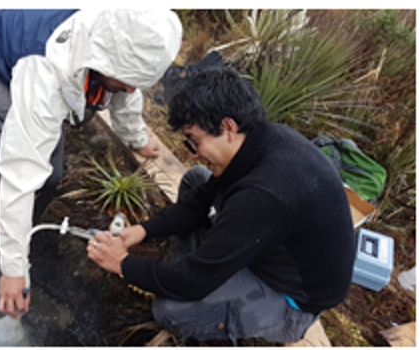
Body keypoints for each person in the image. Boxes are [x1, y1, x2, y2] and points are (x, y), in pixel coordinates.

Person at [0, 9, 183, 319]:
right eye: (127, 81)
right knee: (45, 166)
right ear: (103, 60)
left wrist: (136, 138)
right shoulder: (47, 68)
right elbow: (21, 171)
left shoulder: (117, 37)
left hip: (9, 63)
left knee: (54, 156)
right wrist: (13, 269)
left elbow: (127, 90)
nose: (132, 89)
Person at [86, 68, 355, 343]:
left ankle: (205, 273)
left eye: (195, 142)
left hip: (290, 300)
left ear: (228, 127)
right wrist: (144, 230)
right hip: (269, 247)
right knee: (197, 180)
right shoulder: (261, 139)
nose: (193, 154)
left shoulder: (264, 195)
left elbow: (192, 282)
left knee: (171, 309)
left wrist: (123, 264)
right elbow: (201, 202)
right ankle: (203, 264)